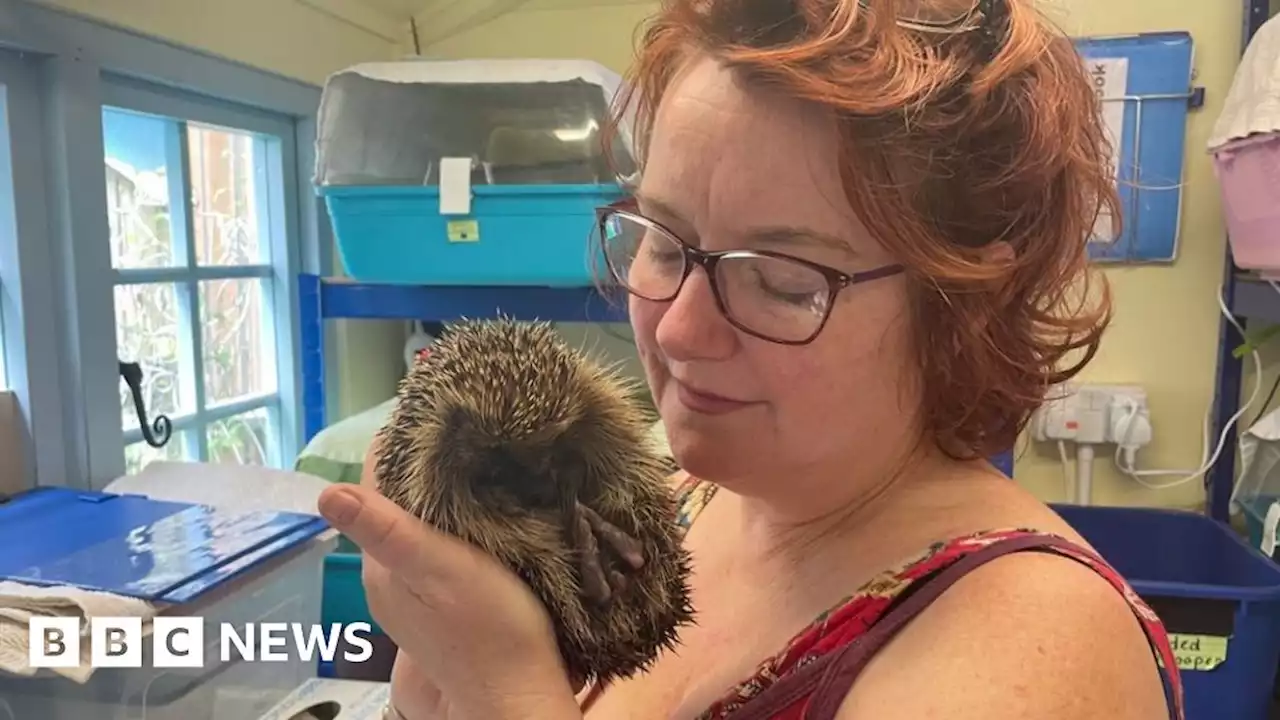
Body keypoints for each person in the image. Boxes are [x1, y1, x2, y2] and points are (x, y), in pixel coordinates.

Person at [316, 0, 1185, 717]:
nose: (677, 331)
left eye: (780, 280)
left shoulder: (1040, 654)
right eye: (663, 240)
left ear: (963, 299)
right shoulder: (687, 503)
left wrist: (502, 690)